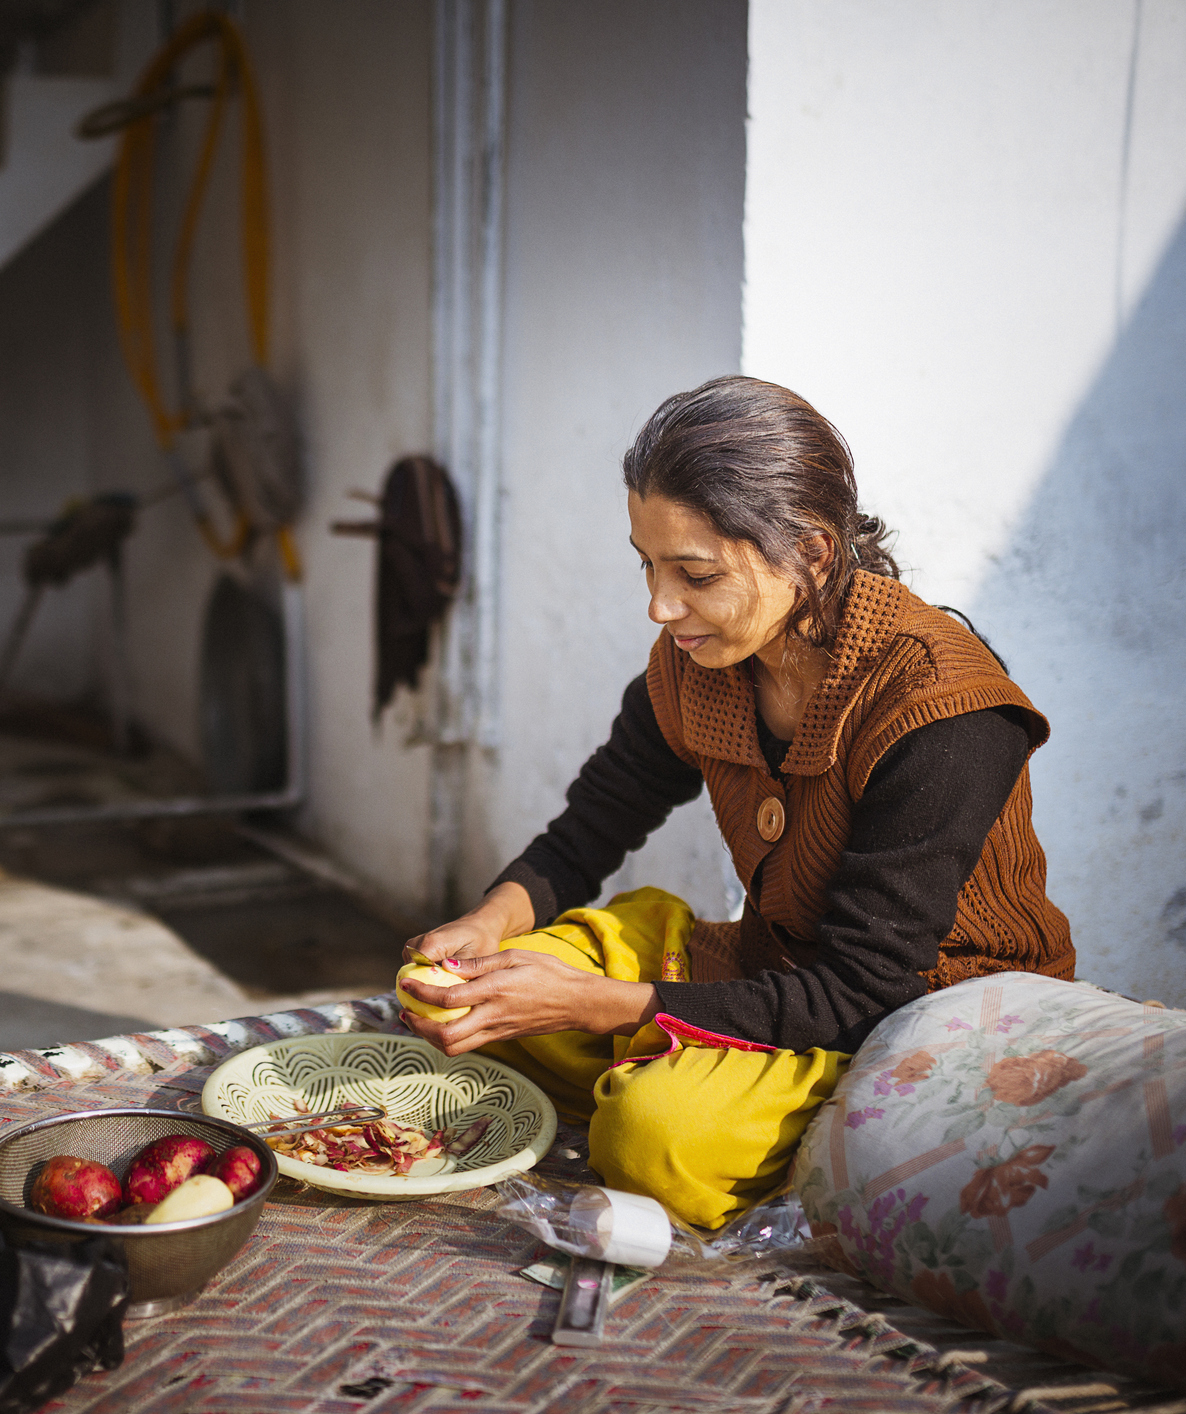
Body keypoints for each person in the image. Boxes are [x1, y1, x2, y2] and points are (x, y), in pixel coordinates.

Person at [397, 375, 1074, 1228]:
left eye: (696, 573)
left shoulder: (941, 709)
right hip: (778, 967)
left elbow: (862, 990)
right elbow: (592, 825)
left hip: (920, 1015)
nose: (660, 605)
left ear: (813, 554)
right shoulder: (701, 659)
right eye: (646, 565)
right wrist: (487, 925)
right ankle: (661, 1051)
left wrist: (589, 1002)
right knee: (470, 995)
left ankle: (700, 1087)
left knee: (652, 1140)